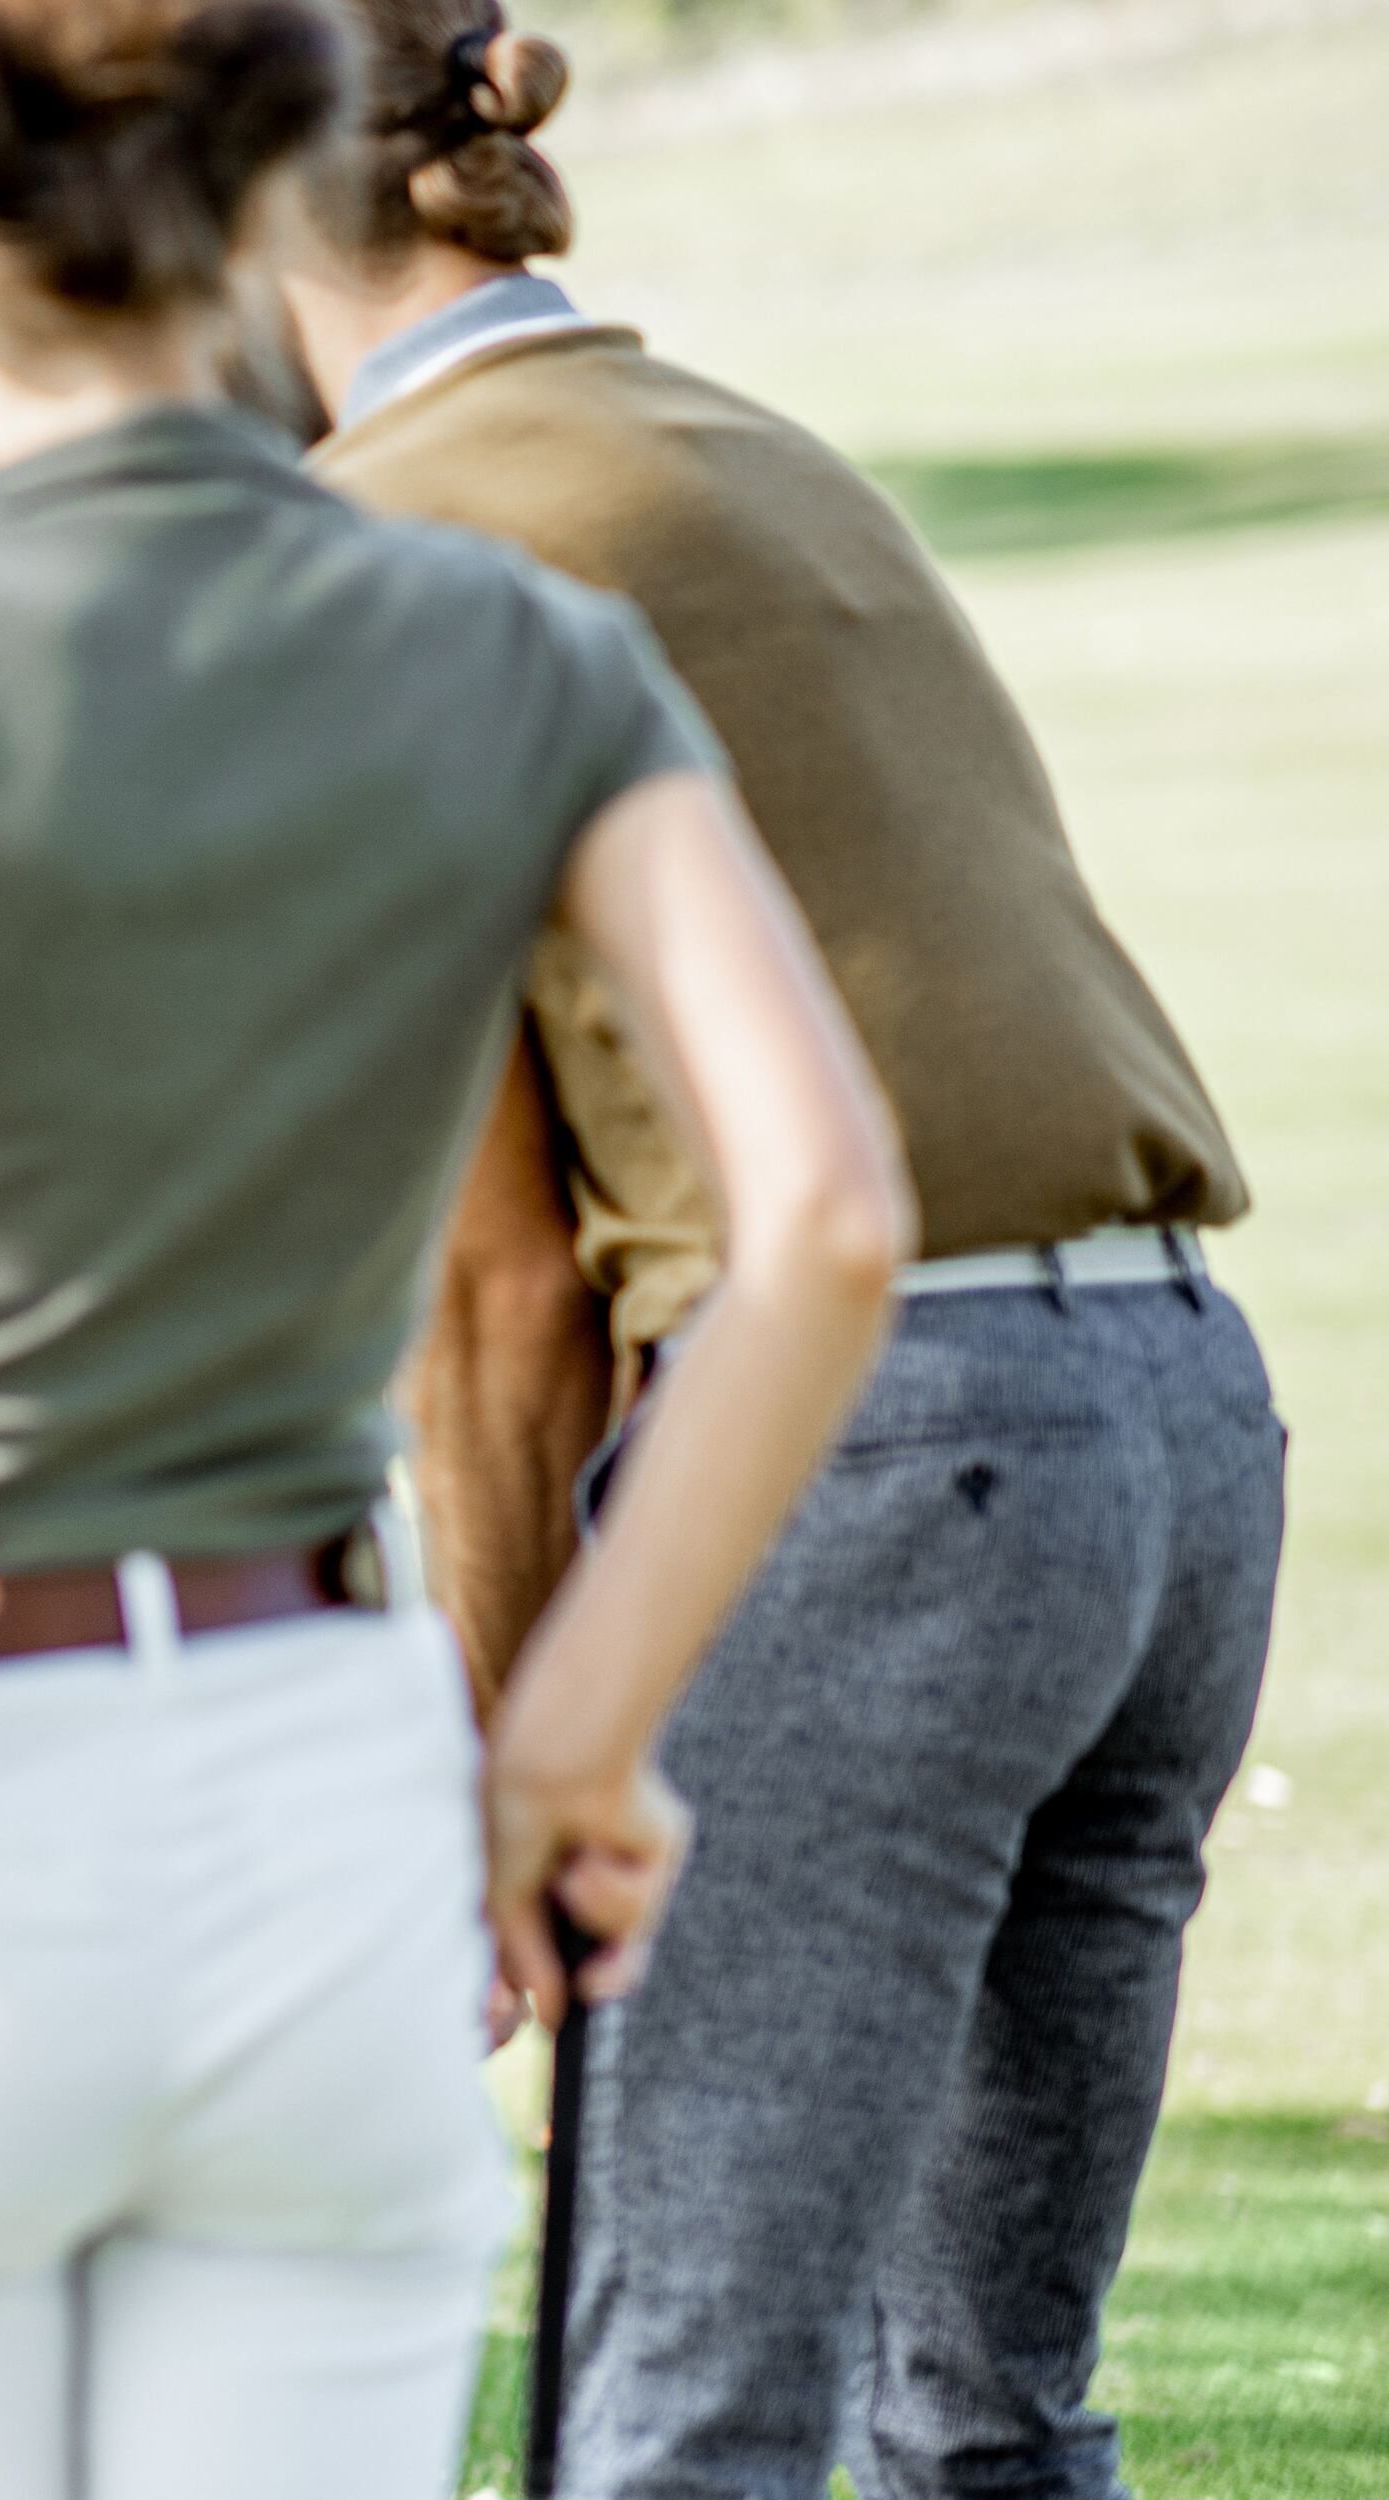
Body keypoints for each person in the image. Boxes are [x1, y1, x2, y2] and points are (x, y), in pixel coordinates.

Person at [0, 0, 919, 2484]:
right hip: (318, 1792)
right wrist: (567, 1732)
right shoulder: (516, 647)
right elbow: (823, 1212)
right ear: (265, 212)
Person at [273, 12, 1281, 2493]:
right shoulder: (752, 447)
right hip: (1175, 1432)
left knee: (680, 2425)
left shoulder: (368, 552)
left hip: (877, 1474)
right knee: (982, 2418)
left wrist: (526, 1763)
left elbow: (496, 1293)